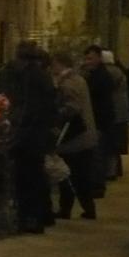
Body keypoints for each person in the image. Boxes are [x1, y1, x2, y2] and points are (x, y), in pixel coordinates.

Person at [0, 41, 57, 234]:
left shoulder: (25, 78)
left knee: (27, 178)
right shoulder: (43, 77)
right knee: (37, 175)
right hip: (37, 134)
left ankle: (30, 218)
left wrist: (15, 126)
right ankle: (42, 215)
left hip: (27, 134)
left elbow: (26, 107)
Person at [51, 51, 98, 220]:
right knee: (81, 175)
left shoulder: (67, 84)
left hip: (74, 138)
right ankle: (88, 208)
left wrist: (56, 114)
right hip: (86, 135)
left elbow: (72, 108)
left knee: (69, 175)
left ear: (59, 64)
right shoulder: (79, 79)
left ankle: (67, 209)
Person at [81, 45, 115, 197]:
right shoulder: (96, 74)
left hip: (100, 120)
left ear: (99, 58)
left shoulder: (100, 76)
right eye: (86, 58)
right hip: (100, 119)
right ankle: (96, 184)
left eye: (91, 58)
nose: (88, 61)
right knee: (97, 154)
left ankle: (97, 186)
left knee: (98, 154)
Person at [100, 50, 129, 181]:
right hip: (121, 111)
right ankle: (114, 169)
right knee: (115, 144)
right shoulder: (119, 71)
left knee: (109, 143)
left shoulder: (107, 73)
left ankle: (109, 171)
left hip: (112, 111)